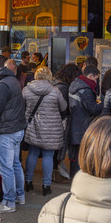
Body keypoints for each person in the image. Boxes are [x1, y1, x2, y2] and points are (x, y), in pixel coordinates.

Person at [0, 59, 27, 214]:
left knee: (5, 167)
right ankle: (19, 196)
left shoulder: (2, 84)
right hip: (16, 129)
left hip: (6, 131)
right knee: (15, 164)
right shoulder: (12, 80)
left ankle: (9, 202)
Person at [22, 67, 67, 196]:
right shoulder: (55, 91)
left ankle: (29, 182)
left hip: (33, 126)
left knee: (33, 153)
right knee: (48, 155)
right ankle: (46, 186)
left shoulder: (26, 90)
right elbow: (63, 107)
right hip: (51, 128)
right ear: (49, 76)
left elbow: (21, 106)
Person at [67, 65, 102, 178]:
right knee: (81, 155)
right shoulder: (86, 90)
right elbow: (93, 109)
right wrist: (104, 103)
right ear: (91, 76)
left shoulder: (75, 84)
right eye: (96, 78)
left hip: (74, 124)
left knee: (76, 155)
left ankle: (74, 179)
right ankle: (79, 180)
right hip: (83, 126)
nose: (96, 82)